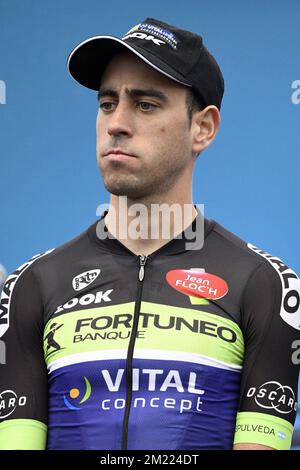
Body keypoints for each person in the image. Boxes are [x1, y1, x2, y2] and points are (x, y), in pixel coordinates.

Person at [0, 17, 299, 451]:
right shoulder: (27, 286)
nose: (117, 123)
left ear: (203, 128)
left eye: (145, 105)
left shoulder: (269, 285)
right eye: (107, 103)